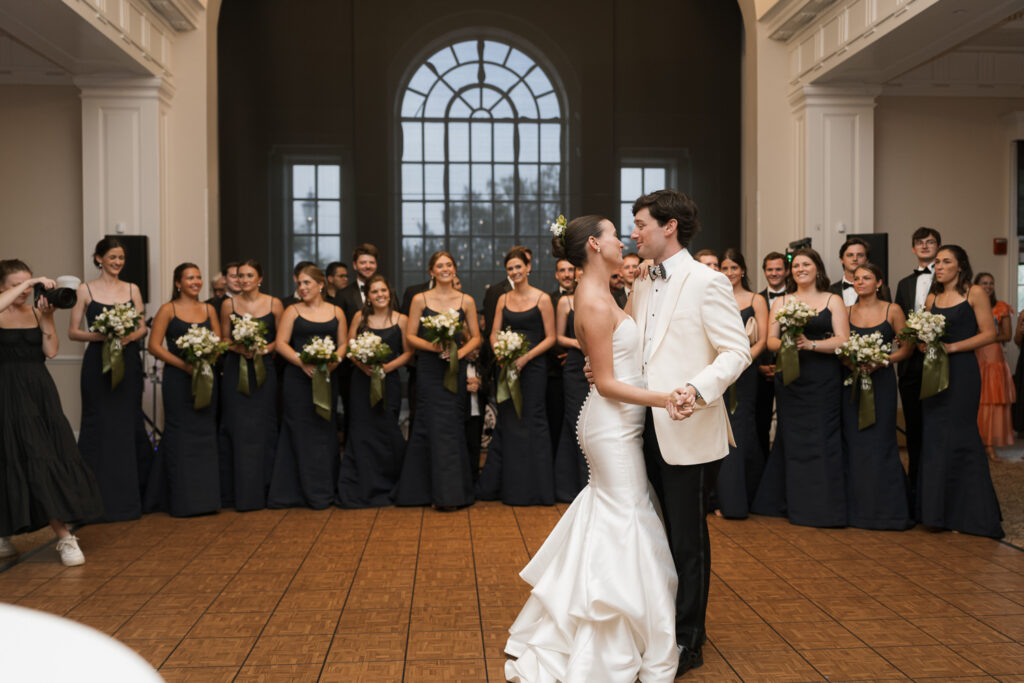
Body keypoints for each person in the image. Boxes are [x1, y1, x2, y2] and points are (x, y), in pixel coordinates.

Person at [504, 215, 692, 682]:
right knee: (629, 519)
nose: (623, 238)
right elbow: (607, 383)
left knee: (615, 517)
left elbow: (609, 363)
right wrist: (666, 398)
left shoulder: (604, 290)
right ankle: (605, 639)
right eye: (613, 233)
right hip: (611, 425)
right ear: (593, 244)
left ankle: (595, 614)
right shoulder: (588, 299)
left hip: (617, 421)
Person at [627, 192, 751, 676]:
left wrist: (695, 391)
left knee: (687, 538)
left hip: (687, 425)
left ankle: (688, 640)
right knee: (648, 533)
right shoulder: (639, 283)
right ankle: (654, 625)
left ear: (669, 226)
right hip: (639, 427)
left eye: (640, 224)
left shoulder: (708, 282)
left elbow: (735, 350)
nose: (633, 233)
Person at [0, 260, 103, 566]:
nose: (27, 290)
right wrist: (26, 286)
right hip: (6, 392)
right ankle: (6, 532)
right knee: (9, 457)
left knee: (43, 456)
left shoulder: (34, 311)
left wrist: (47, 318)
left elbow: (51, 351)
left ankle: (65, 536)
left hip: (38, 394)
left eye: (30, 282)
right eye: (18, 284)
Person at [752, 247, 850, 528]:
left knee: (823, 436)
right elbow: (771, 341)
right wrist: (790, 341)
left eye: (806, 265)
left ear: (817, 268)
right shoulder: (781, 302)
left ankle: (822, 504)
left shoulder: (833, 300)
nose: (800, 270)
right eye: (796, 267)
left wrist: (812, 344)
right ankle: (791, 502)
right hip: (791, 378)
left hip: (824, 378)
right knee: (792, 437)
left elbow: (843, 339)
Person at [918, 245, 1003, 538]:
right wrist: (923, 344)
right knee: (935, 439)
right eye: (937, 262)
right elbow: (925, 335)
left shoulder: (975, 293)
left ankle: (971, 514)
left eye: (946, 261)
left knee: (961, 435)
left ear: (960, 265)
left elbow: (989, 334)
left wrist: (952, 347)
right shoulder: (932, 298)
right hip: (934, 371)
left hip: (963, 371)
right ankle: (936, 513)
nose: (939, 266)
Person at [68, 237, 151, 522]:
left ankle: (128, 502)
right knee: (98, 425)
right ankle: (91, 502)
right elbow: (73, 331)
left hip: (127, 361)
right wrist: (101, 335)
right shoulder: (85, 289)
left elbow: (142, 327)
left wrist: (126, 337)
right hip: (97, 363)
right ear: (99, 258)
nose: (117, 263)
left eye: (121, 258)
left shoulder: (132, 289)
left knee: (127, 425)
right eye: (112, 257)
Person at [395, 251, 481, 509]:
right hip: (430, 369)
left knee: (452, 427)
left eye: (449, 265)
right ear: (431, 271)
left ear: (454, 269)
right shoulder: (420, 299)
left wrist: (459, 353)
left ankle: (453, 494)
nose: (445, 269)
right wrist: (433, 349)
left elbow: (476, 336)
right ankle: (421, 492)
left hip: (454, 367)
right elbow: (410, 336)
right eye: (439, 265)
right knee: (428, 425)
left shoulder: (466, 300)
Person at [476, 248, 557, 505]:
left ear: (528, 268)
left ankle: (538, 489)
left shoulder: (542, 298)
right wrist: (501, 352)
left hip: (533, 368)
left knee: (532, 420)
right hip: (507, 366)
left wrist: (525, 358)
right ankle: (511, 486)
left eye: (518, 267)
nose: (514, 272)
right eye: (510, 269)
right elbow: (492, 332)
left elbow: (551, 337)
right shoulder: (502, 299)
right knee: (510, 421)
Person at [144, 263, 222, 517]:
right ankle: (181, 499)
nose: (196, 281)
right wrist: (183, 366)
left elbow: (218, 343)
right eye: (190, 278)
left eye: (198, 277)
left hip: (205, 379)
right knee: (179, 435)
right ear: (178, 283)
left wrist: (204, 362)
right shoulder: (168, 309)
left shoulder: (209, 309)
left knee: (205, 433)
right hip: (178, 380)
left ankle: (206, 499)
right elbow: (154, 346)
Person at [842, 263, 914, 530]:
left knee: (881, 441)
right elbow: (840, 344)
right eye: (856, 278)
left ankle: (888, 509)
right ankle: (856, 509)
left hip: (881, 381)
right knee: (854, 442)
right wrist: (853, 362)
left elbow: (906, 349)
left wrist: (882, 361)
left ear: (879, 282)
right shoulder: (846, 310)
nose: (860, 282)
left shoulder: (892, 310)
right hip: (851, 383)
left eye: (867, 278)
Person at [268, 265, 346, 509]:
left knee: (324, 429)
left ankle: (323, 489)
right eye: (299, 284)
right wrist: (302, 363)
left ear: (320, 284)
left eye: (306, 283)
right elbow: (280, 343)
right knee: (298, 431)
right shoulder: (292, 311)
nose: (302, 288)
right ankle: (294, 492)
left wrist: (331, 364)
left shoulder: (337, 311)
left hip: (326, 377)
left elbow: (344, 344)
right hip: (297, 380)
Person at [336, 274, 411, 507]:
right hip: (361, 381)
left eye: (383, 291)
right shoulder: (359, 317)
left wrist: (387, 368)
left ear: (390, 293)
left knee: (387, 430)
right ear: (367, 297)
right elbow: (350, 346)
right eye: (375, 292)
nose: (380, 295)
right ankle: (361, 486)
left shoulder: (402, 319)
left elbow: (409, 353)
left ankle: (390, 485)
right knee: (362, 432)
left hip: (389, 382)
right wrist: (362, 365)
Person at [217, 260, 283, 511]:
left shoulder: (274, 304)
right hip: (236, 371)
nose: (244, 280)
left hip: (264, 371)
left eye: (249, 275)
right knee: (238, 428)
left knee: (264, 427)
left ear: (260, 278)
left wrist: (263, 348)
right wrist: (239, 347)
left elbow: (282, 338)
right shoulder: (228, 305)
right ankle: (238, 492)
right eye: (240, 276)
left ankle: (266, 489)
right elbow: (223, 339)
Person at [714, 249, 768, 519]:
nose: (730, 272)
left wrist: (742, 362)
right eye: (725, 268)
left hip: (746, 372)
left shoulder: (756, 299)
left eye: (734, 267)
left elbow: (763, 340)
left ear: (743, 270)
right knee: (719, 430)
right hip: (718, 372)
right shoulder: (715, 296)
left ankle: (741, 499)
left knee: (741, 431)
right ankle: (721, 496)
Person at [893, 226, 941, 507]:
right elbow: (900, 322)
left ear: (938, 246)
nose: (924, 246)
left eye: (930, 242)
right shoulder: (904, 284)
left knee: (937, 426)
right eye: (919, 243)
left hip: (941, 360)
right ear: (913, 248)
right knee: (914, 428)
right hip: (911, 364)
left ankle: (936, 490)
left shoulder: (948, 278)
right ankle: (915, 491)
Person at [552, 266, 588, 502]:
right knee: (576, 422)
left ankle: (587, 482)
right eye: (580, 271)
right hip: (575, 366)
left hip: (599, 363)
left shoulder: (605, 297)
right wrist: (579, 344)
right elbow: (558, 337)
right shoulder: (566, 301)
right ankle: (572, 486)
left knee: (592, 422)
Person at [973, 272, 1015, 461]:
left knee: (992, 402)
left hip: (994, 358)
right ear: (976, 286)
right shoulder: (970, 306)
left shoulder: (1001, 307)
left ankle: (990, 447)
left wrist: (986, 336)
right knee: (977, 401)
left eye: (991, 283)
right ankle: (976, 444)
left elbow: (1007, 335)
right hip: (975, 355)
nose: (988, 286)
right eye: (984, 283)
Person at [755, 251, 788, 462]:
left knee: (788, 423)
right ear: (764, 272)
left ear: (786, 271)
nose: (774, 273)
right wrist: (759, 365)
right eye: (770, 269)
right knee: (760, 424)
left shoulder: (797, 298)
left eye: (778, 269)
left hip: (790, 370)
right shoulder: (755, 299)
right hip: (760, 371)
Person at [337, 244, 380, 324]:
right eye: (363, 263)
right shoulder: (343, 295)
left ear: (376, 265)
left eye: (372, 262)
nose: (368, 266)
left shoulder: (388, 293)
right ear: (355, 265)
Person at [828, 237, 869, 307]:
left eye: (860, 255)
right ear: (841, 260)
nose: (855, 259)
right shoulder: (829, 290)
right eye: (850, 255)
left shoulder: (880, 289)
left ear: (867, 260)